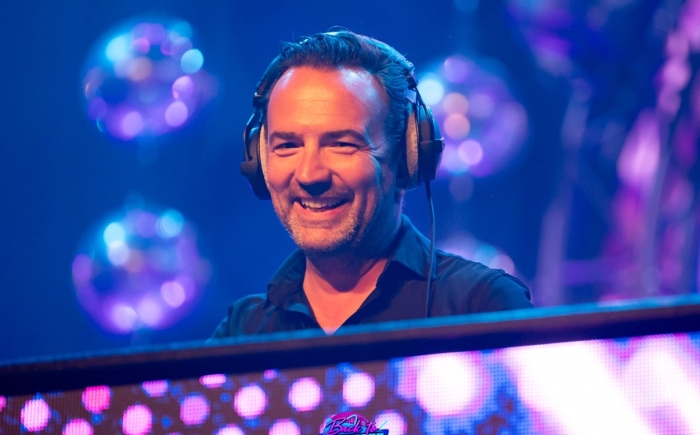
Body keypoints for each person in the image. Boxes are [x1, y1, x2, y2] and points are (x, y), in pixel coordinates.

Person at [212, 30, 532, 338]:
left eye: (342, 145)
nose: (309, 175)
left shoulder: (480, 305)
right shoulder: (243, 330)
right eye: (287, 146)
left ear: (406, 158)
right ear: (259, 161)